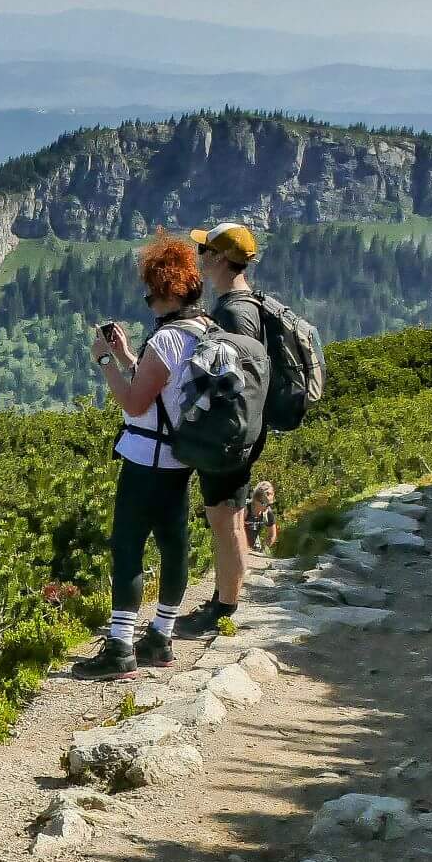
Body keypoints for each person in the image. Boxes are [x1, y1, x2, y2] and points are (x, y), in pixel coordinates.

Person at [81, 234, 208, 676]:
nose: (148, 300)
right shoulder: (203, 331)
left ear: (167, 291)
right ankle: (161, 636)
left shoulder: (169, 339)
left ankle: (119, 648)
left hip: (145, 459)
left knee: (129, 546)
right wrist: (128, 354)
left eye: (150, 293)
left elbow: (136, 402)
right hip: (182, 458)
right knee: (174, 545)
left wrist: (104, 362)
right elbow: (165, 390)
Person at [173, 221, 266, 636]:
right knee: (232, 515)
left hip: (229, 434)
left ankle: (223, 608)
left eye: (205, 251)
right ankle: (225, 598)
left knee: (224, 520)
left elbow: (233, 381)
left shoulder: (233, 312)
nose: (199, 257)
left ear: (219, 259)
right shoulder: (250, 304)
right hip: (245, 431)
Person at [245, 480, 277, 553]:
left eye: (270, 504)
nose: (267, 507)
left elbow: (272, 534)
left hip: (253, 546)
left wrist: (264, 549)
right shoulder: (245, 509)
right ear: (256, 500)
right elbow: (235, 529)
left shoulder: (268, 512)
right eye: (265, 504)